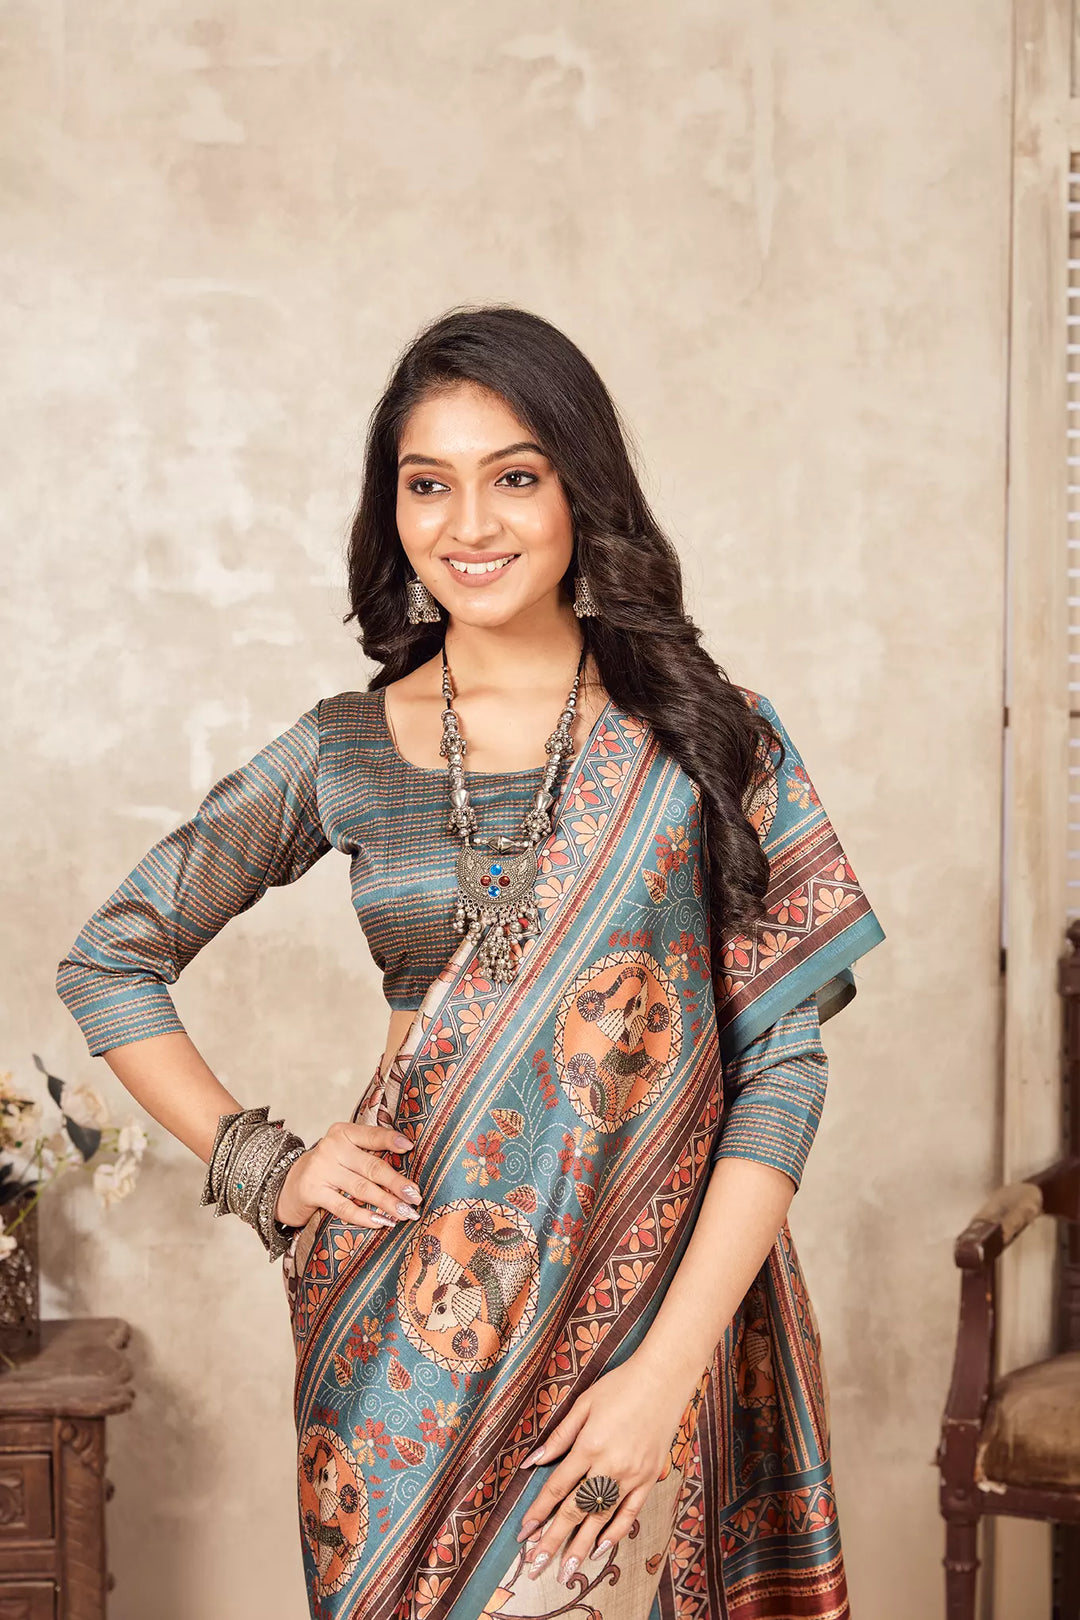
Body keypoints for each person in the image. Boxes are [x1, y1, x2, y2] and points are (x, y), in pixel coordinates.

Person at [56, 305, 884, 1620]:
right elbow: (112, 961)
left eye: (514, 475)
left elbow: (781, 1064)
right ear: (392, 514)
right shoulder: (346, 749)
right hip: (402, 1343)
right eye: (426, 484)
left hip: (656, 1321)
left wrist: (663, 1376)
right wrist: (266, 1165)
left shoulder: (708, 738)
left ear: (580, 490)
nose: (469, 524)